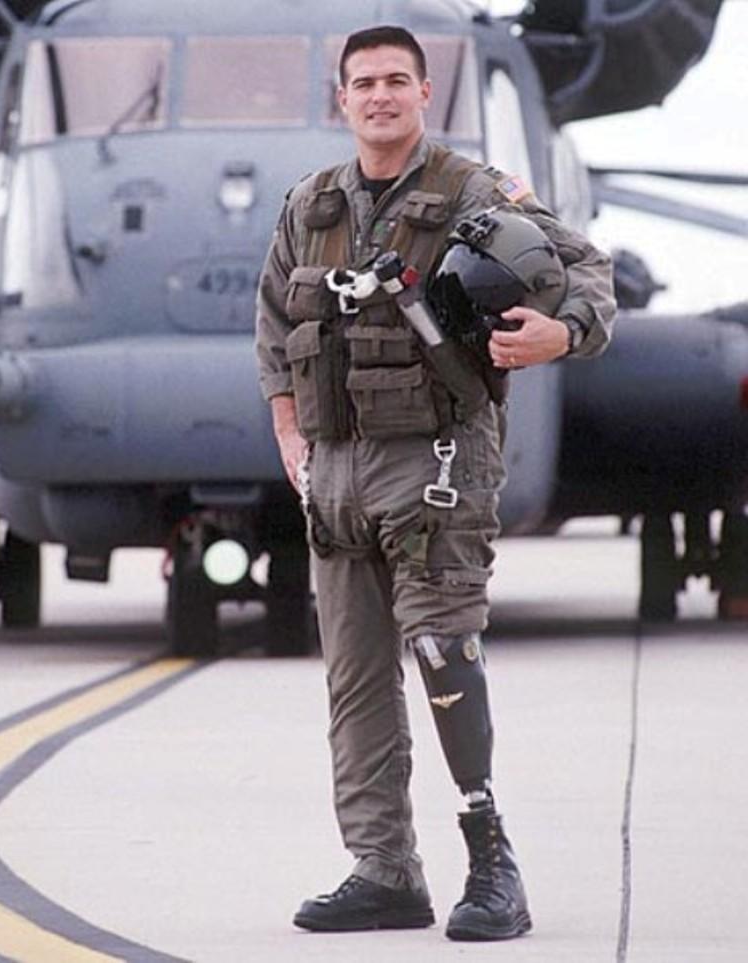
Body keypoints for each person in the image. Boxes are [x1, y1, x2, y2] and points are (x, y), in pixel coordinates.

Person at [255, 25, 616, 941]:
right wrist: (290, 429)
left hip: (436, 463)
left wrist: (559, 334)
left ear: (424, 93)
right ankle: (384, 869)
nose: (379, 97)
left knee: (444, 656)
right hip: (335, 472)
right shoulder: (312, 202)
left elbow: (588, 272)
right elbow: (273, 326)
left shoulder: (474, 194)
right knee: (356, 678)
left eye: (396, 82)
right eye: (363, 83)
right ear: (342, 100)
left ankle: (494, 865)